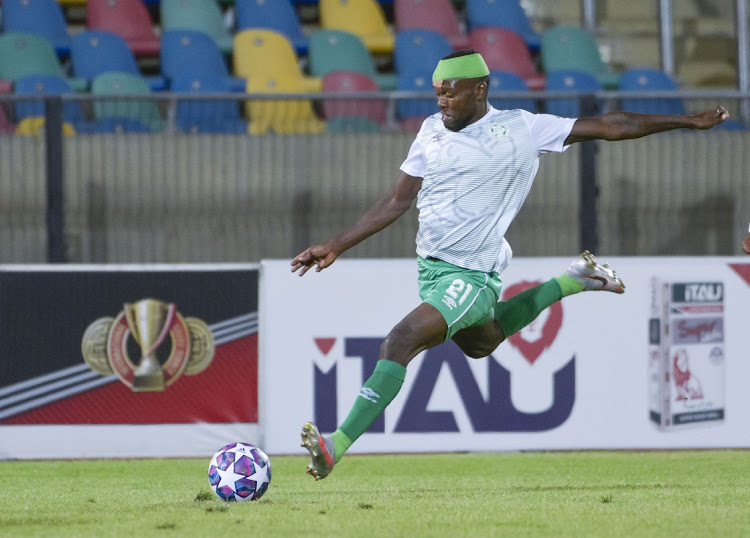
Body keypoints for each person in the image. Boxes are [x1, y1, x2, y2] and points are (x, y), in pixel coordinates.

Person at [291, 50, 730, 480]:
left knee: (400, 341)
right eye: (437, 92)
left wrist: (688, 121)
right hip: (432, 271)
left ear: (480, 89)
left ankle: (336, 445)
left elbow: (611, 126)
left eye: (450, 92)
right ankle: (572, 280)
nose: (441, 101)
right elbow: (396, 200)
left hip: (471, 275)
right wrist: (336, 244)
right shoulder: (430, 130)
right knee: (483, 343)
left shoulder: (522, 128)